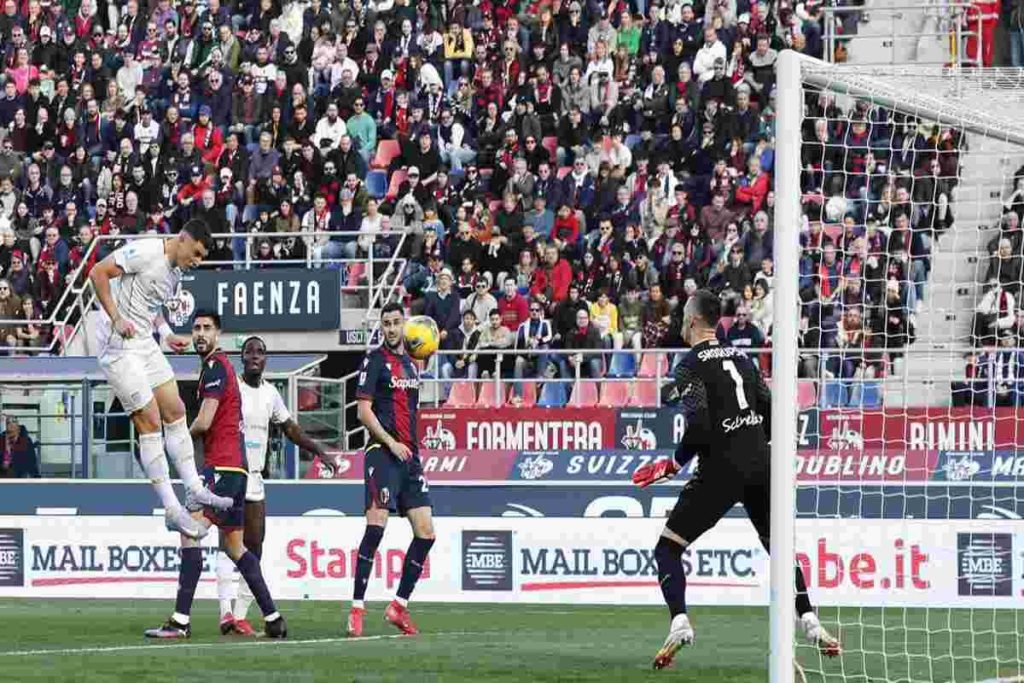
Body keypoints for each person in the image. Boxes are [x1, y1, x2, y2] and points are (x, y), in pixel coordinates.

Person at [631, 290, 840, 669]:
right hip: (762, 463)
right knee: (779, 549)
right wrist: (760, 454)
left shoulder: (689, 366)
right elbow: (773, 411)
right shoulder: (742, 359)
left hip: (721, 469)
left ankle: (679, 620)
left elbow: (698, 427)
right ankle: (809, 619)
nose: (680, 323)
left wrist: (674, 464)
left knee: (668, 549)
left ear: (694, 322)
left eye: (683, 318)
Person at [145, 312, 286, 640]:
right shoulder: (220, 367)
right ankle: (274, 618)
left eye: (207, 328)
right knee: (236, 547)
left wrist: (175, 442)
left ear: (218, 333)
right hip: (238, 470)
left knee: (190, 534)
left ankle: (180, 620)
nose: (200, 334)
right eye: (196, 328)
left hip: (222, 468)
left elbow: (205, 421)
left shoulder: (214, 366)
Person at [88, 220, 233, 539]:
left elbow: (151, 302)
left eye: (201, 258)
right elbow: (97, 272)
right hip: (117, 345)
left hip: (144, 342)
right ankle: (171, 509)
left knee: (176, 409)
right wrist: (116, 317)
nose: (196, 262)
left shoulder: (177, 271)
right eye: (195, 253)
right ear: (182, 239)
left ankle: (194, 489)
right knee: (150, 420)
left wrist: (166, 334)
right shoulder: (146, 250)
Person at [217, 335, 328, 636]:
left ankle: (239, 615)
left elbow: (290, 427)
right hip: (228, 472)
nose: (255, 356)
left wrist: (317, 449)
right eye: (249, 351)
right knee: (228, 546)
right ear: (242, 357)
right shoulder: (231, 388)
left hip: (254, 477)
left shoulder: (270, 394)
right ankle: (225, 612)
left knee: (254, 546)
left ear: (266, 359)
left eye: (260, 352)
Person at [348, 302, 435, 638]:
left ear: (405, 325)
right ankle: (357, 608)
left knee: (426, 533)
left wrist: (410, 447)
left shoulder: (412, 367)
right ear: (381, 327)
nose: (392, 328)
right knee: (376, 528)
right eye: (387, 323)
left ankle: (399, 606)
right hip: (382, 453)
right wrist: (389, 442)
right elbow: (363, 412)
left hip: (410, 459)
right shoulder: (374, 360)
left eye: (397, 322)